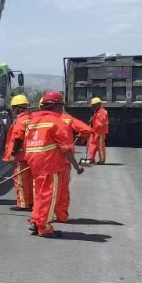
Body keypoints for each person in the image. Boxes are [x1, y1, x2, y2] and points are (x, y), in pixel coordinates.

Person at [24, 91, 85, 237]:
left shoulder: (33, 121)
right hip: (50, 164)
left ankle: (36, 221)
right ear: (56, 106)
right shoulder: (57, 122)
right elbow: (66, 149)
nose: (62, 109)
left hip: (34, 163)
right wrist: (76, 166)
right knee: (49, 195)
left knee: (39, 194)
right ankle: (44, 227)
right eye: (61, 106)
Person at [2, 94, 34, 211]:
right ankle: (30, 202)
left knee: (20, 180)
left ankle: (22, 203)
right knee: (30, 180)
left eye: (13, 108)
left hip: (21, 155)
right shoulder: (31, 118)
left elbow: (18, 138)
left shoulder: (21, 120)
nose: (13, 111)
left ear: (17, 108)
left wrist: (13, 154)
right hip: (31, 154)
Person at [88, 97, 109, 164]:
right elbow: (95, 120)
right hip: (94, 131)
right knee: (92, 144)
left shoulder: (103, 112)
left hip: (100, 132)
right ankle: (91, 158)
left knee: (100, 146)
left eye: (94, 105)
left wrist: (94, 128)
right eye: (92, 105)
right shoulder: (96, 111)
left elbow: (101, 122)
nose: (93, 106)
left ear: (98, 104)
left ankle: (102, 160)